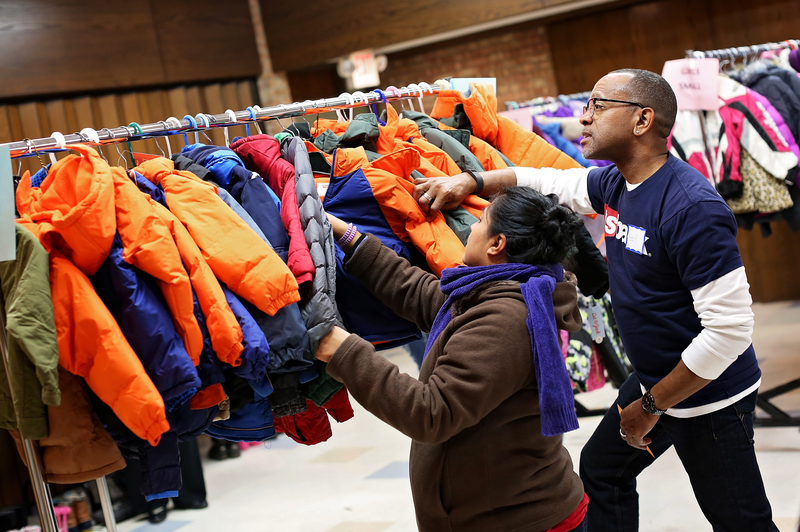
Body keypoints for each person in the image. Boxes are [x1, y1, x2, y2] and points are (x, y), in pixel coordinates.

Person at [413, 68, 777, 531]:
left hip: (708, 396)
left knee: (740, 521)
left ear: (642, 120)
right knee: (603, 471)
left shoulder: (693, 208)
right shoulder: (617, 184)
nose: (583, 118)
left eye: (598, 106)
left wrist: (650, 408)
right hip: (656, 380)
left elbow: (728, 331)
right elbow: (553, 183)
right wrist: (472, 181)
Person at [317, 186, 590, 532]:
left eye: (481, 221)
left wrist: (343, 350)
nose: (471, 227)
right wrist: (348, 236)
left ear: (497, 244)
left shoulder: (506, 319)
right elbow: (419, 293)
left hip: (516, 521)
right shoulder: (506, 290)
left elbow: (431, 412)